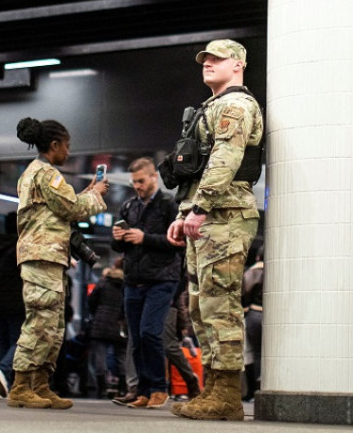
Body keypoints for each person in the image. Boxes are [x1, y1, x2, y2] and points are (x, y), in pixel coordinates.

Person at [166, 39, 264, 421]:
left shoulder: (236, 106)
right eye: (205, 59)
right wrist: (184, 211)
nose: (207, 64)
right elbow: (198, 167)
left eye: (217, 59)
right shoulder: (213, 106)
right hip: (206, 214)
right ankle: (212, 389)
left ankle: (226, 395)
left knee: (219, 304)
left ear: (238, 64)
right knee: (200, 304)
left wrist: (201, 207)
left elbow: (226, 158)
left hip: (225, 215)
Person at [5, 117, 108, 409]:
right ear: (54, 145)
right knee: (40, 322)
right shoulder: (46, 174)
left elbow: (61, 208)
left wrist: (89, 192)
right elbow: (72, 208)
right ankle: (22, 385)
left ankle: (40, 384)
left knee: (52, 324)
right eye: (67, 146)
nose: (69, 151)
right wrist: (97, 196)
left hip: (47, 257)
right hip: (42, 257)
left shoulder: (33, 173)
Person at [112, 157, 183, 409]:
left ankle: (159, 388)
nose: (138, 186)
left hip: (162, 278)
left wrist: (145, 238)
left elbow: (177, 242)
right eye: (134, 183)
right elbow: (118, 248)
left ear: (154, 177)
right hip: (133, 279)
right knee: (137, 338)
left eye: (141, 181)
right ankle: (142, 390)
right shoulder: (129, 206)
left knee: (150, 333)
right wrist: (118, 238)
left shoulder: (170, 205)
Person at [0, 227, 25, 398]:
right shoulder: (17, 248)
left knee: (3, 342)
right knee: (20, 341)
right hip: (15, 302)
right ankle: (3, 369)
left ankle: (3, 385)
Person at [87, 259, 128, 400]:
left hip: (101, 322)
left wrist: (96, 314)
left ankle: (102, 389)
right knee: (121, 356)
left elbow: (91, 301)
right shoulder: (126, 285)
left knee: (100, 356)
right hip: (119, 323)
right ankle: (123, 388)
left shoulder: (103, 283)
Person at [242, 246, 263, 401]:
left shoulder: (251, 272)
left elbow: (244, 295)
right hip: (271, 317)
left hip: (254, 314)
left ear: (257, 257)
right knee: (265, 354)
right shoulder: (275, 272)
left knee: (252, 354)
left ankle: (253, 392)